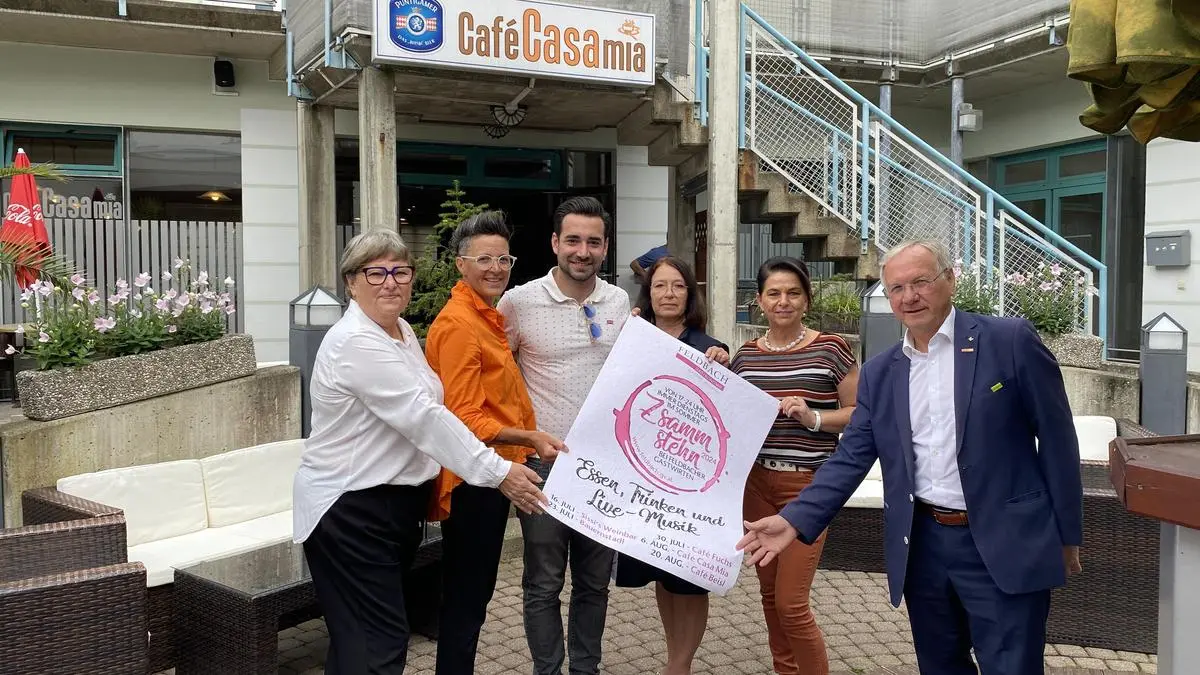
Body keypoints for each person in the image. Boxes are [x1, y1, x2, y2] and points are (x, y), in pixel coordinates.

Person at [738, 240, 1083, 675]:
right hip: (924, 546)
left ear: (950, 280)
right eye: (896, 288)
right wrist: (793, 520)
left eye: (920, 282)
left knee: (1012, 667)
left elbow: (1057, 439)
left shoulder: (1008, 341)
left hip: (1004, 540)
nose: (909, 297)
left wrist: (1067, 534)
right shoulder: (882, 371)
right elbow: (851, 456)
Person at [292, 229, 547, 674]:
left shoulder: (401, 331)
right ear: (351, 282)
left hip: (393, 508)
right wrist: (498, 471)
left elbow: (431, 408)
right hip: (352, 508)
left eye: (400, 272)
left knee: (359, 642)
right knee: (379, 644)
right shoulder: (357, 341)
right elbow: (423, 416)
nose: (390, 283)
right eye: (375, 273)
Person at [425, 211, 568, 675]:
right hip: (472, 478)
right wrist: (529, 435)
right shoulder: (459, 324)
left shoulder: (485, 315)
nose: (496, 268)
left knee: (473, 596)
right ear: (460, 264)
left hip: (490, 470)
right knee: (467, 598)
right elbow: (463, 417)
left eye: (504, 259)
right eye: (484, 259)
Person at [497, 195, 630, 675]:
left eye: (593, 242)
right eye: (573, 240)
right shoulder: (519, 302)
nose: (582, 251)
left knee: (595, 583)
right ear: (555, 242)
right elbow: (496, 375)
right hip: (543, 466)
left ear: (606, 247)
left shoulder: (618, 301)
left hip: (603, 466)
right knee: (543, 583)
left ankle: (585, 670)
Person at [729, 255, 859, 675]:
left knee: (791, 603)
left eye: (792, 293)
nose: (783, 301)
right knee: (770, 597)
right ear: (759, 301)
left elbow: (859, 413)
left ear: (806, 299)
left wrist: (813, 417)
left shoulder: (831, 348)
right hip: (755, 485)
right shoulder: (745, 357)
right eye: (774, 294)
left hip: (807, 488)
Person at [613, 255, 729, 675]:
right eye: (660, 285)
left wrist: (723, 364)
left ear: (690, 294)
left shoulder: (710, 349)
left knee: (689, 579)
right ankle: (674, 656)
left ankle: (680, 665)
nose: (668, 294)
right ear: (648, 292)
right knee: (662, 573)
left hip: (690, 486)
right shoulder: (632, 339)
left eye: (678, 286)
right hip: (645, 479)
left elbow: (724, 415)